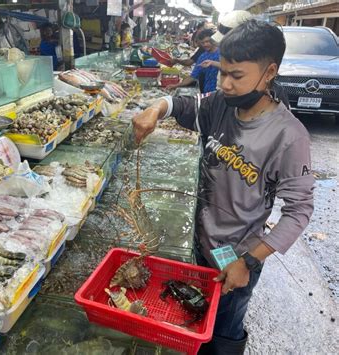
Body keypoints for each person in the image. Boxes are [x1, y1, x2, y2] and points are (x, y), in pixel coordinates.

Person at [132, 20, 314, 354]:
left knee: (225, 329)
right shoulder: (220, 104)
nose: (226, 85)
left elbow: (299, 212)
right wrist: (156, 108)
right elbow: (185, 106)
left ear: (269, 71)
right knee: (196, 320)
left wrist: (249, 262)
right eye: (222, 73)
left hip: (238, 257)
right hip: (200, 243)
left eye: (237, 76)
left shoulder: (289, 136)